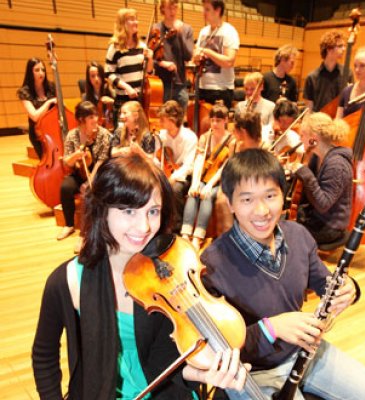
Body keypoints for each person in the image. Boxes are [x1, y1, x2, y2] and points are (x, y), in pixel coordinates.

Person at [32, 153, 248, 399]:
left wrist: (200, 374)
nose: (144, 227)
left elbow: (165, 362)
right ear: (102, 209)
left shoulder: (170, 273)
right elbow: (44, 356)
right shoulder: (67, 281)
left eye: (153, 211)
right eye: (128, 211)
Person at [200, 148, 365, 400]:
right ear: (230, 203)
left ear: (283, 196)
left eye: (270, 196)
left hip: (307, 352)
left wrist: (349, 289)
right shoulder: (213, 264)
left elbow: (324, 282)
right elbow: (219, 346)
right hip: (252, 372)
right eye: (247, 199)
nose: (261, 211)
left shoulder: (298, 235)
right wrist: (271, 329)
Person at [289, 112, 353, 245]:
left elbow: (323, 204)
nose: (300, 140)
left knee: (283, 230)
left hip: (329, 227)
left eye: (302, 135)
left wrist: (305, 173)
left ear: (313, 139)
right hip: (315, 217)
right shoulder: (317, 157)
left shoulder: (337, 165)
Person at [56, 101, 111, 241]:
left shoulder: (103, 134)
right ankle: (69, 225)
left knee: (88, 191)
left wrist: (90, 180)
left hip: (98, 173)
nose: (95, 120)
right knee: (65, 187)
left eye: (96, 116)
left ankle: (84, 234)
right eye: (91, 117)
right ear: (81, 120)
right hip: (79, 171)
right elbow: (67, 161)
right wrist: (76, 155)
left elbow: (102, 160)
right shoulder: (72, 135)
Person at [181, 103, 232, 250]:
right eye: (212, 120)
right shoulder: (205, 137)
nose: (214, 123)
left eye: (218, 120)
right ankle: (185, 234)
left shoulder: (231, 140)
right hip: (204, 178)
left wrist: (209, 185)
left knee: (207, 196)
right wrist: (195, 183)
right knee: (193, 194)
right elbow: (199, 160)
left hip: (219, 182)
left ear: (225, 121)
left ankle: (198, 237)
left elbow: (224, 168)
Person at [105, 8, 154, 124]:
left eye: (136, 19)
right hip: (123, 101)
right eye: (131, 20)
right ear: (122, 23)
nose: (136, 22)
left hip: (140, 100)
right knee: (123, 137)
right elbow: (109, 74)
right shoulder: (115, 47)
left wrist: (150, 59)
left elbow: (150, 73)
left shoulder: (142, 46)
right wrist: (127, 87)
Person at [156, 100, 198, 232]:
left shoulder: (189, 137)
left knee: (175, 189)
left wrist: (173, 177)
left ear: (172, 120)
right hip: (166, 173)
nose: (159, 122)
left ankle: (176, 228)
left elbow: (189, 165)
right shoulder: (161, 135)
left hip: (183, 176)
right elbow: (156, 159)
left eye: (162, 119)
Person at [192, 0, 240, 109]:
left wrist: (207, 52)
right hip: (202, 87)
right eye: (203, 8)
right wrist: (196, 57)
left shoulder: (229, 31)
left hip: (220, 90)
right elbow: (196, 56)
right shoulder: (203, 31)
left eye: (207, 9)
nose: (203, 12)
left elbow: (229, 61)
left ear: (218, 10)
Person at [152, 0, 194, 111]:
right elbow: (150, 58)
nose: (173, 11)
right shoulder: (155, 29)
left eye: (175, 7)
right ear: (162, 9)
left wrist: (180, 34)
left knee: (179, 124)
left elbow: (188, 56)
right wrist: (162, 63)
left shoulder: (187, 29)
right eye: (169, 8)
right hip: (160, 84)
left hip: (180, 84)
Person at [303, 29, 352, 112]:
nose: (344, 49)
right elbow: (309, 107)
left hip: (339, 122)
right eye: (340, 46)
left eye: (344, 46)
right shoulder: (312, 77)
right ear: (329, 49)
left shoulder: (347, 73)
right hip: (319, 121)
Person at [17, 57, 57, 159]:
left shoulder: (51, 87)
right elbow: (34, 116)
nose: (41, 73)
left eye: (43, 70)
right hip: (38, 135)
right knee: (46, 160)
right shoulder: (24, 92)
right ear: (30, 72)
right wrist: (48, 102)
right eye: (37, 70)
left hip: (53, 130)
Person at [262, 100, 303, 164]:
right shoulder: (261, 133)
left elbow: (300, 159)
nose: (284, 126)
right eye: (283, 122)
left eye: (289, 123)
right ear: (275, 117)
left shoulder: (294, 138)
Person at [83, 61, 115, 129]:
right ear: (89, 79)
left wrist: (113, 102)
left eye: (99, 75)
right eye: (93, 76)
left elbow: (120, 110)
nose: (96, 79)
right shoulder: (85, 98)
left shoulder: (111, 91)